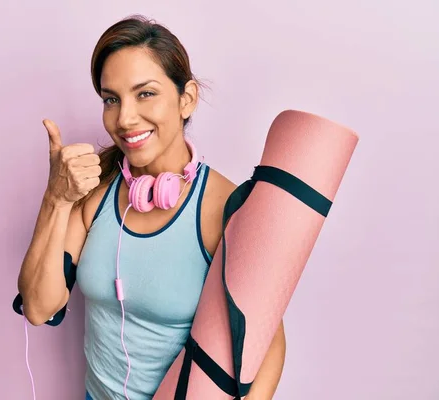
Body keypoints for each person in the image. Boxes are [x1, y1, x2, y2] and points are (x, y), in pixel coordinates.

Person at [15, 14, 286, 400]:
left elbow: (269, 343)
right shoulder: (95, 192)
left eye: (145, 93)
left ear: (186, 98)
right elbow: (39, 307)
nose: (124, 118)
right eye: (112, 99)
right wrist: (56, 198)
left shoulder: (226, 208)